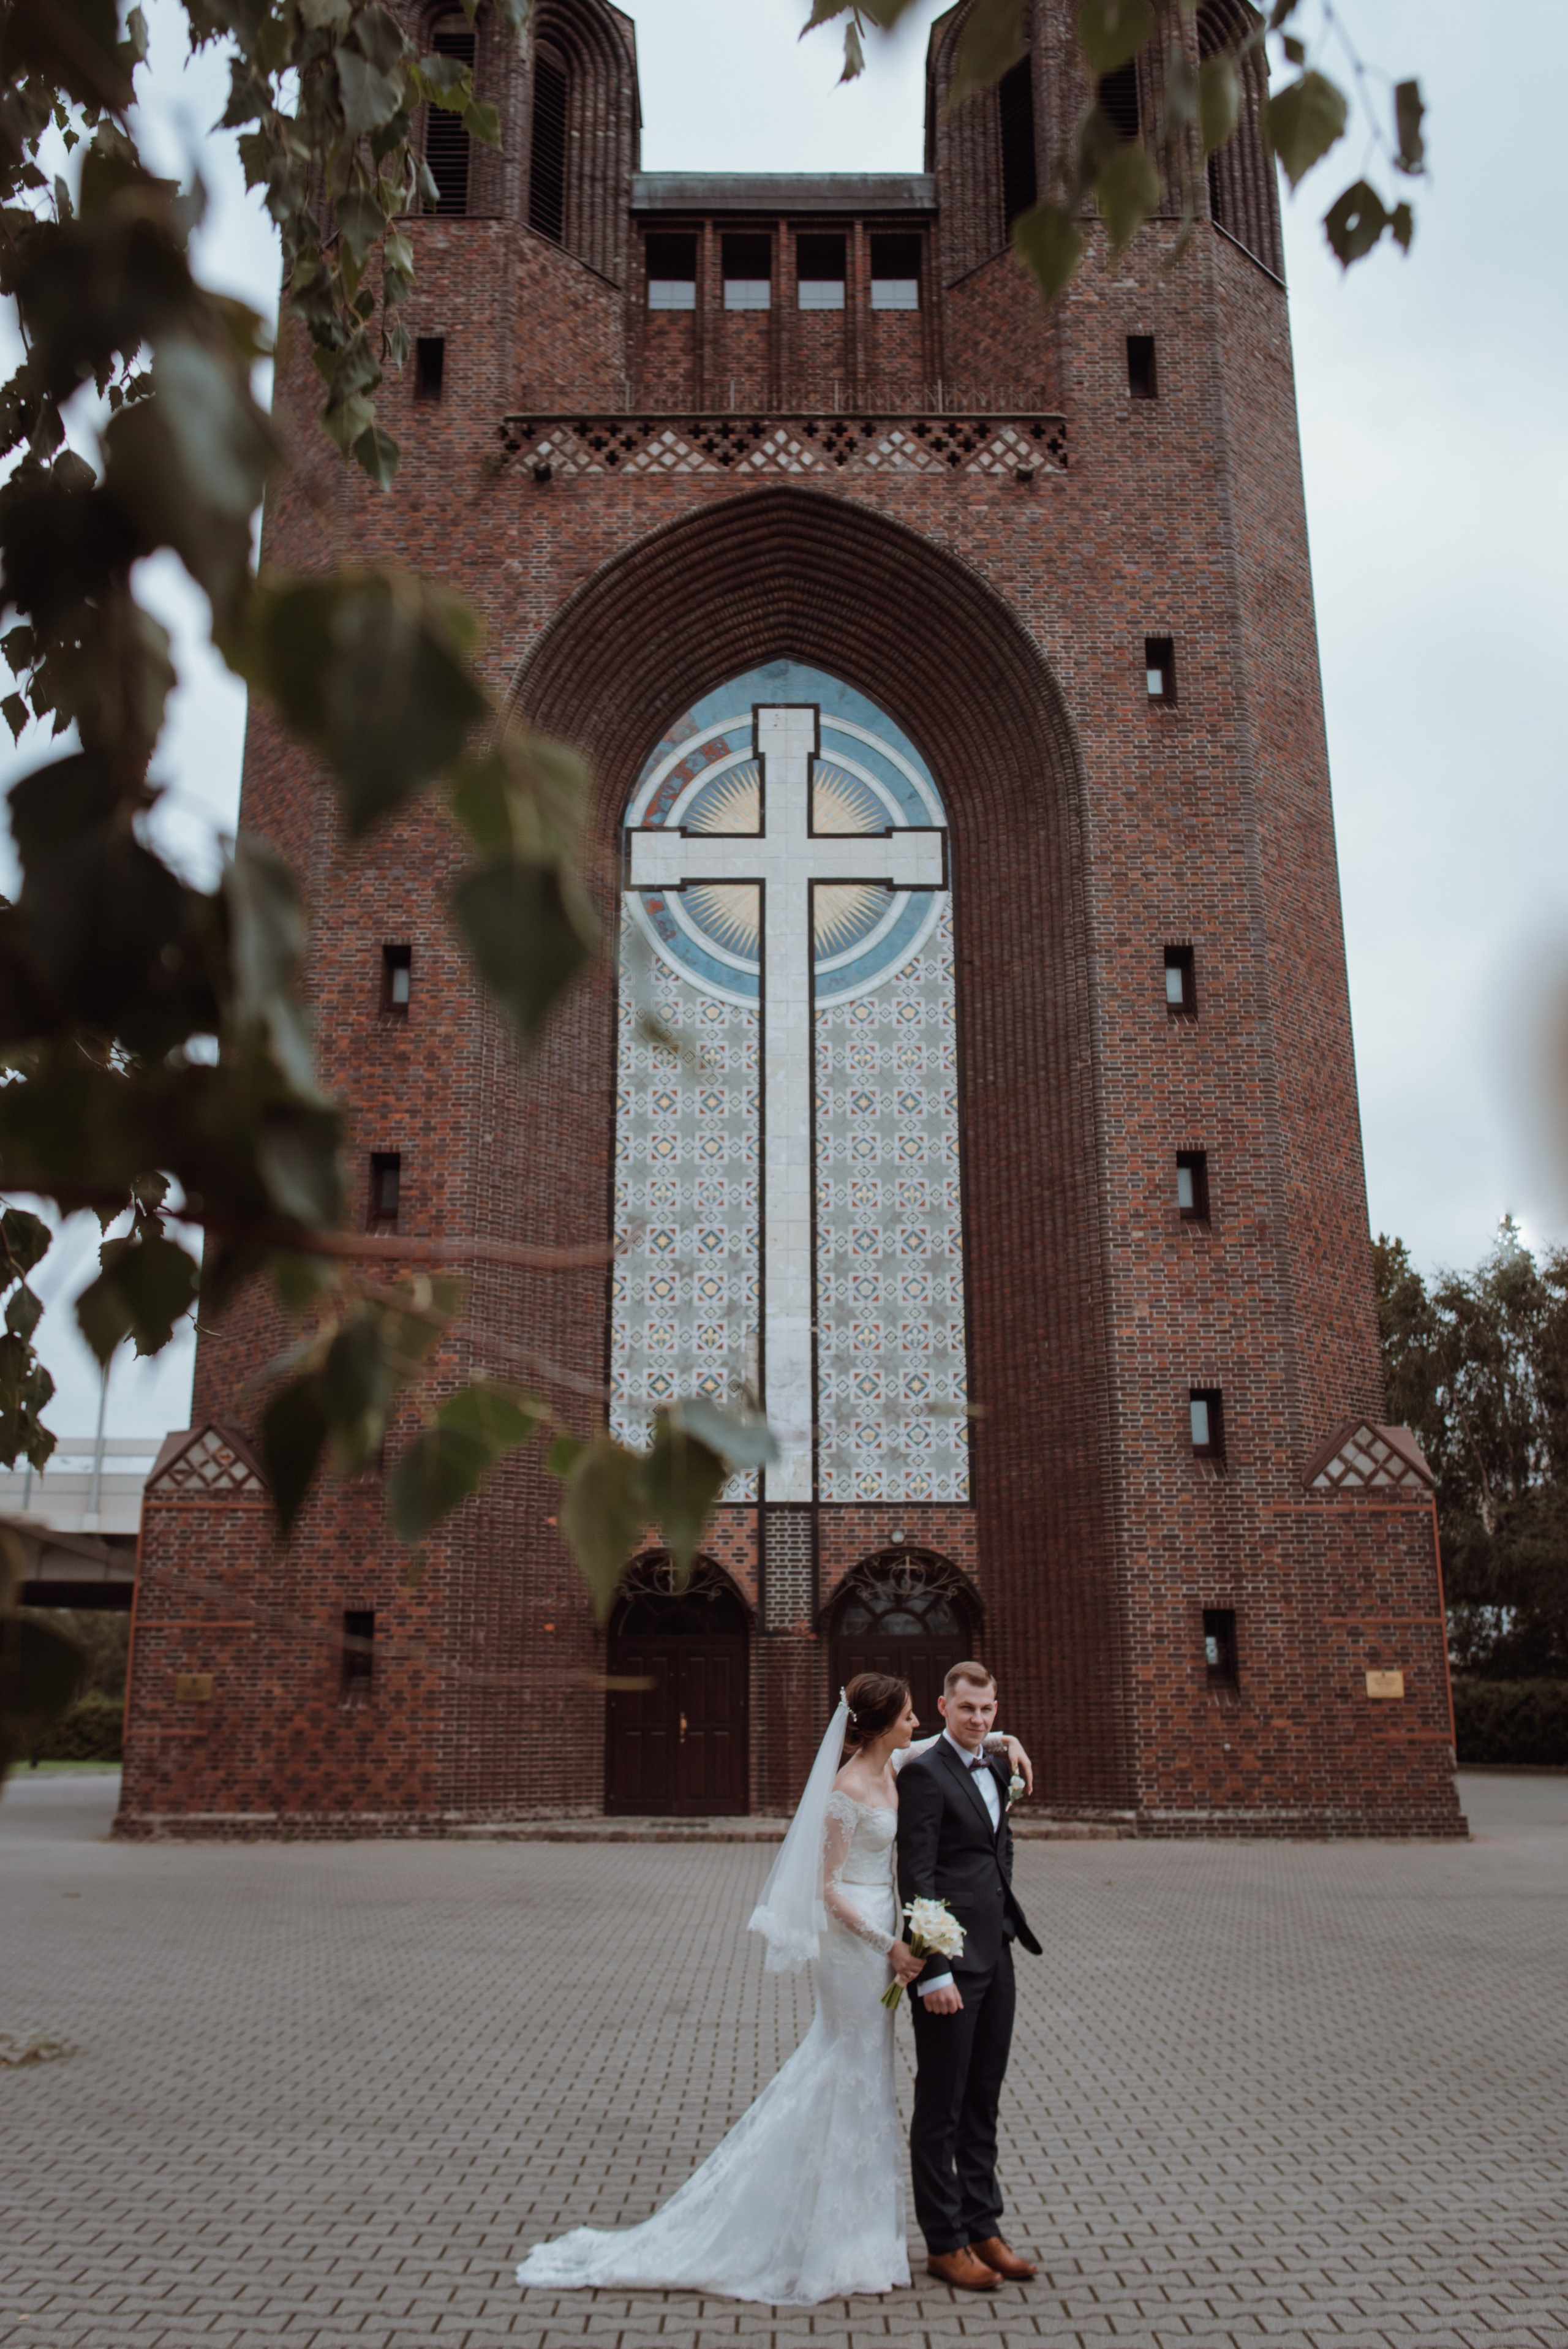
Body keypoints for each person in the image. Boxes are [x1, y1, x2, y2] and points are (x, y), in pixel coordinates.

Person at [514, 1673, 1033, 2305]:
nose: (918, 1720)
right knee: (855, 2068)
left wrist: (1002, 1737)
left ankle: (868, 2230)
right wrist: (893, 1945)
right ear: (881, 1723)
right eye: (910, 1713)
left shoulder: (897, 1762)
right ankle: (892, 2237)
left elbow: (955, 1743)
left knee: (869, 2077)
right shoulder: (847, 1790)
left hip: (894, 1942)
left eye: (974, 1708)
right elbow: (828, 1887)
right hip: (859, 1945)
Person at [895, 1659, 1042, 2293]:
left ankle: (985, 2225)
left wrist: (1003, 1915)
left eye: (987, 1711)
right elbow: (918, 1875)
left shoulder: (1001, 1762)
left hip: (997, 1951)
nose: (978, 1720)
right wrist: (932, 1971)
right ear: (942, 1707)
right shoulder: (925, 1774)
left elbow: (997, 1843)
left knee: (984, 2097)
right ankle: (945, 2240)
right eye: (966, 1710)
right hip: (949, 1965)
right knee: (942, 2105)